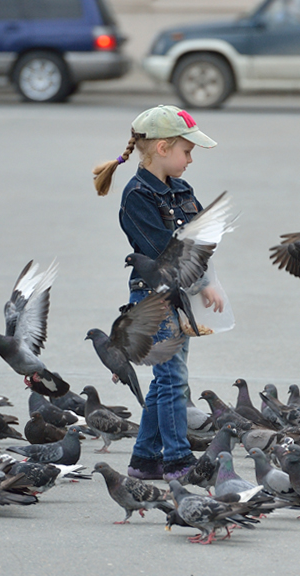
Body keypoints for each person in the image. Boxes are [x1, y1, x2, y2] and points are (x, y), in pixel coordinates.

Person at [93, 105, 223, 481]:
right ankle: (178, 461)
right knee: (172, 380)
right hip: (152, 302)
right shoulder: (137, 196)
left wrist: (206, 279)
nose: (191, 159)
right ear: (163, 148)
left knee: (167, 378)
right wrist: (203, 283)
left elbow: (199, 240)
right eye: (187, 151)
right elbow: (167, 251)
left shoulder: (181, 189)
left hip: (177, 298)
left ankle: (144, 460)